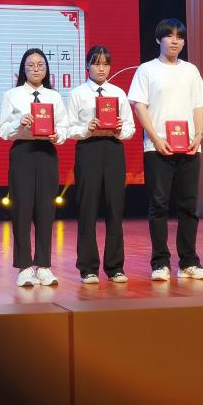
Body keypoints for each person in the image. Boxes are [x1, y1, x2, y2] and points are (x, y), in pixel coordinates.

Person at [127, 18, 203, 282]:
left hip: (190, 148)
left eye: (180, 37)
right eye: (170, 36)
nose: (175, 41)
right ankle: (160, 263)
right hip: (157, 147)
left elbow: (199, 105)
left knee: (189, 206)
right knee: (159, 206)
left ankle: (189, 262)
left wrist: (198, 136)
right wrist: (155, 138)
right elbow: (139, 106)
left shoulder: (191, 70)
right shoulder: (147, 70)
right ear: (158, 39)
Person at [0, 48, 69, 288]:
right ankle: (24, 267)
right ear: (23, 69)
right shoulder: (12, 95)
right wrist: (19, 124)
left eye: (40, 65)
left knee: (46, 210)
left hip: (47, 152)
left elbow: (64, 127)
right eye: (31, 65)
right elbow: (3, 131)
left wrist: (57, 134)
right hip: (23, 152)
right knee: (22, 209)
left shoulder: (54, 96)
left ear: (46, 69)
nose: (36, 69)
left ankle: (44, 265)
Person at [67, 45, 136, 284]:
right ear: (87, 66)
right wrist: (87, 129)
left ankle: (115, 266)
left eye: (105, 64)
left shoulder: (118, 93)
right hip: (88, 149)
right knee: (87, 208)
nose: (101, 68)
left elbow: (130, 127)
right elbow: (68, 129)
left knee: (115, 208)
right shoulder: (77, 94)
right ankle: (88, 268)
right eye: (96, 63)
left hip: (114, 149)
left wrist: (120, 130)